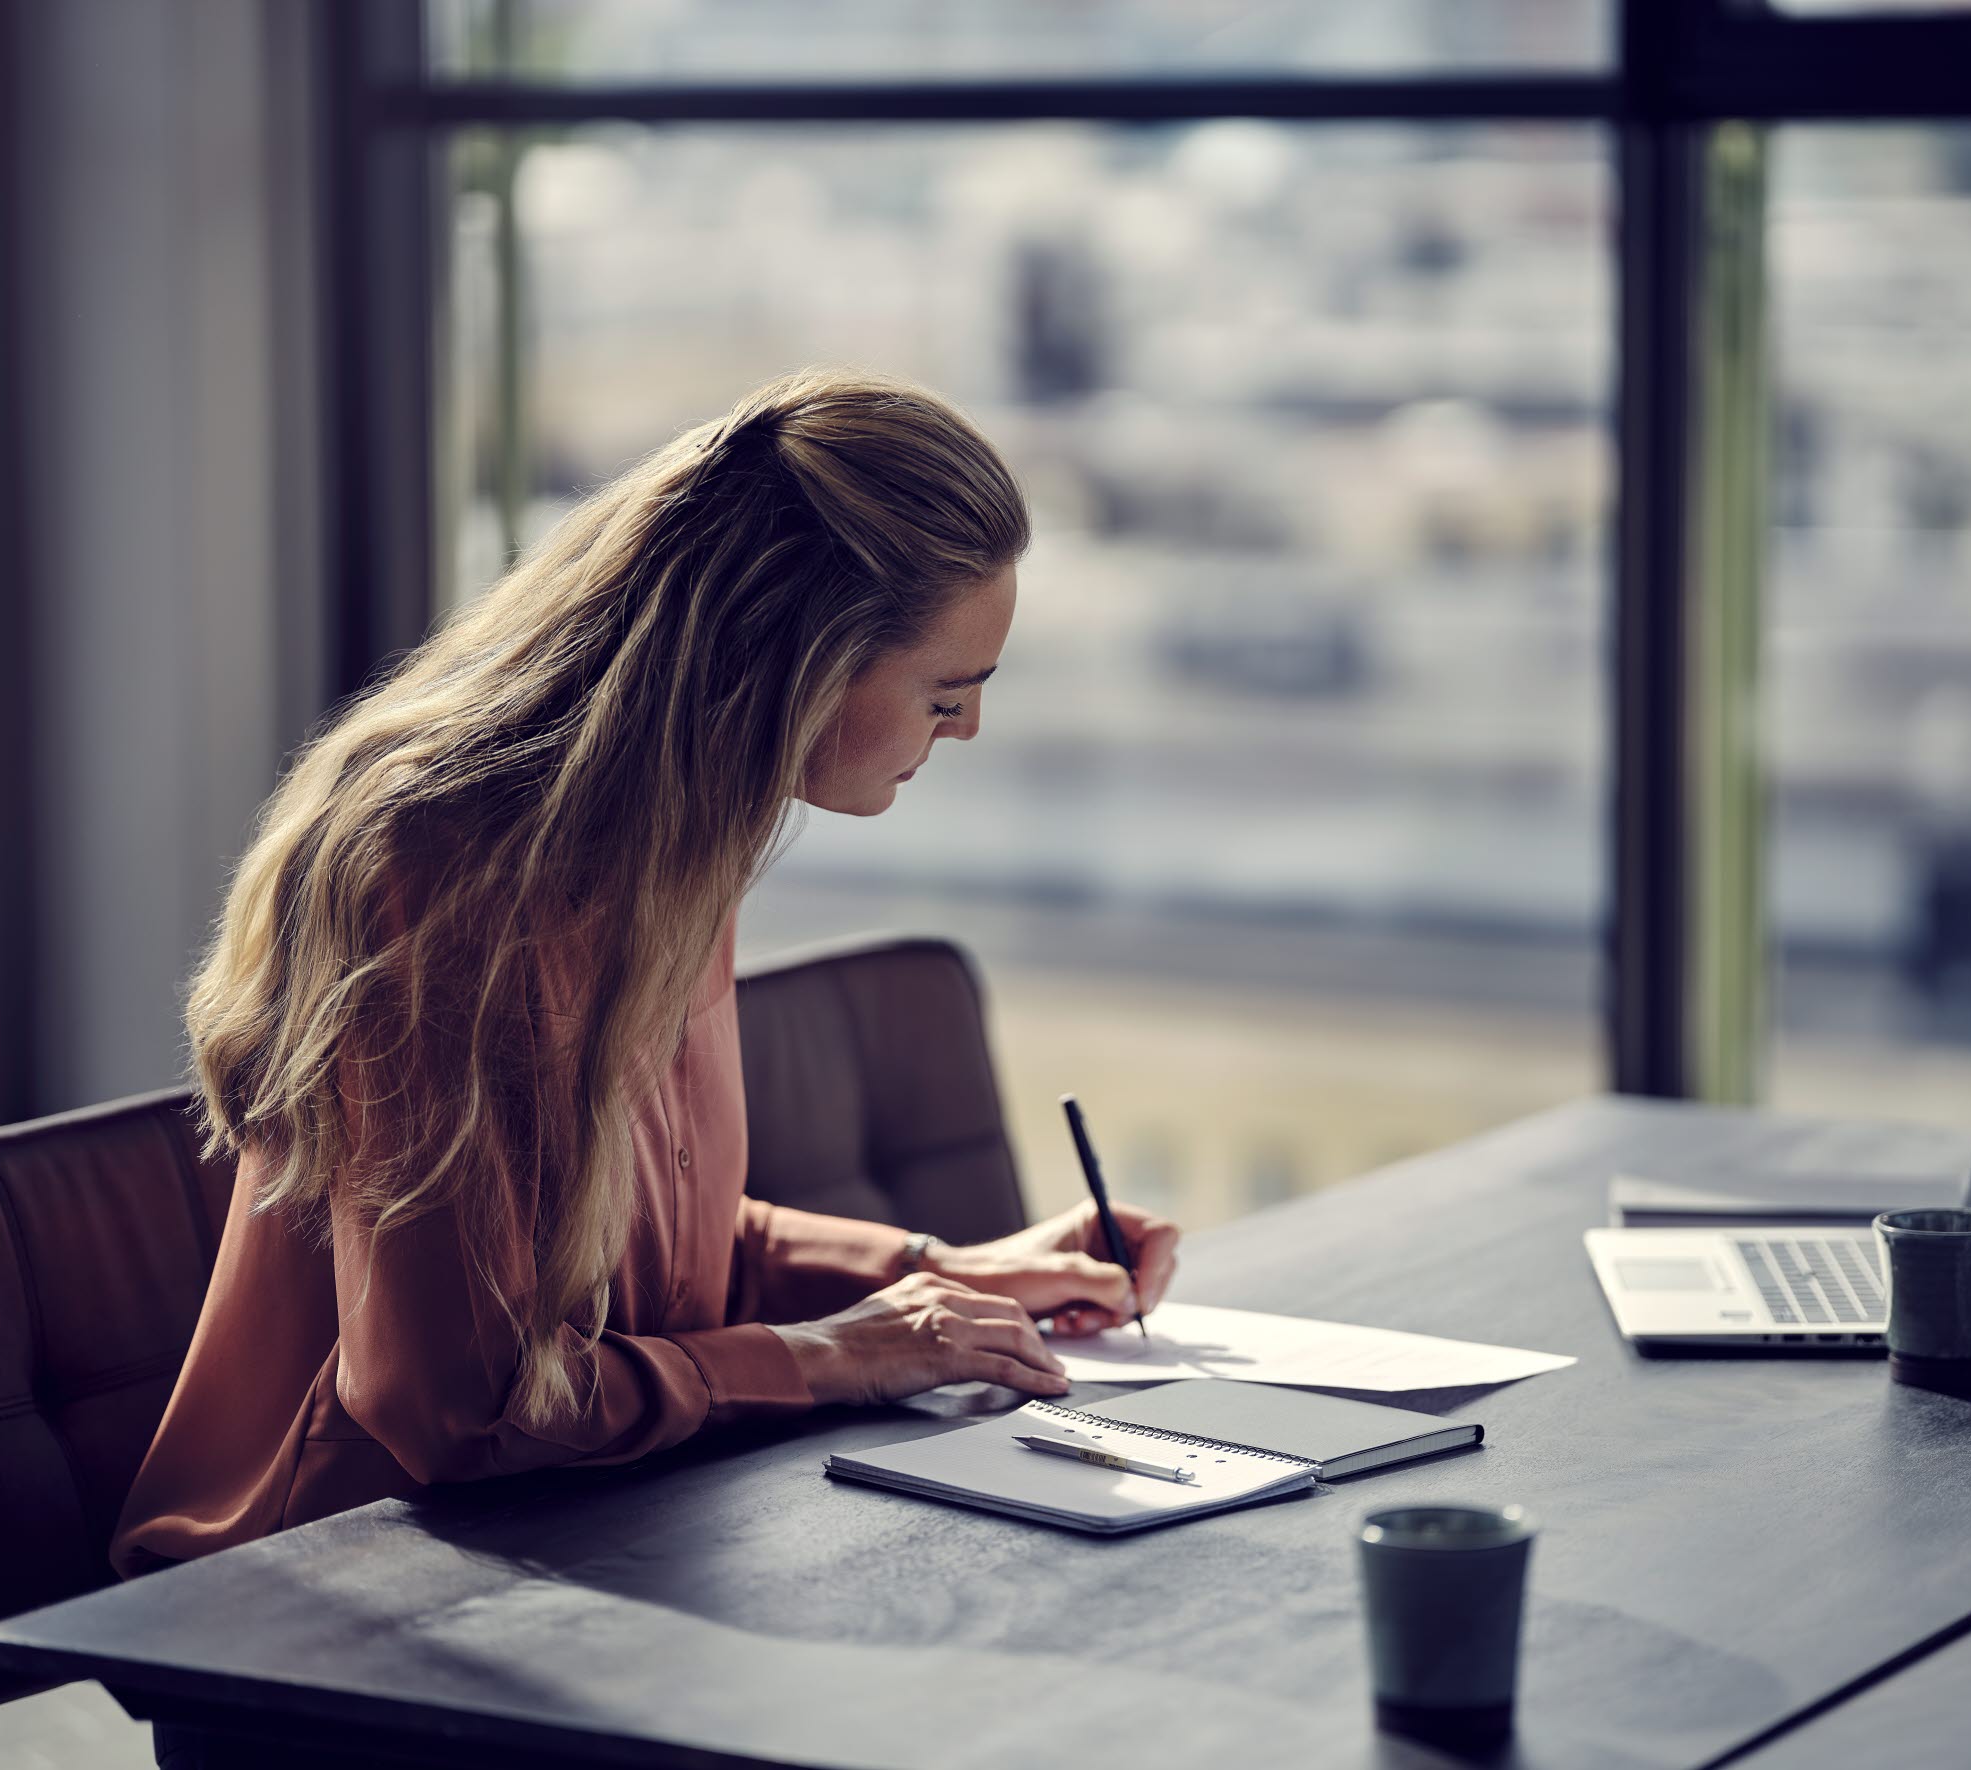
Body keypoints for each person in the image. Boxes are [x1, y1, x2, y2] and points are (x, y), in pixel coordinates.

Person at [110, 369, 1180, 1620]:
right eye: (945, 695)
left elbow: (644, 1239)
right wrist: (835, 1355)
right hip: (330, 1589)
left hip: (596, 1528)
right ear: (798, 659)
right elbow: (459, 1404)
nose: (968, 733)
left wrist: (949, 1274)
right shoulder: (443, 879)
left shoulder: (677, 847)